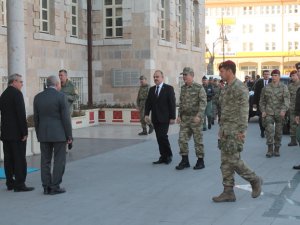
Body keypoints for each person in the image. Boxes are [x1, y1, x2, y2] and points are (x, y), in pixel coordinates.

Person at [212, 60, 262, 202]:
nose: (220, 74)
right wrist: (221, 128)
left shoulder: (240, 87)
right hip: (225, 130)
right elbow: (224, 110)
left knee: (234, 160)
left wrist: (242, 130)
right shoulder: (226, 87)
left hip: (235, 130)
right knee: (225, 162)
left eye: (221, 71)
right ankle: (228, 191)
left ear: (229, 71)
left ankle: (254, 179)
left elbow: (244, 111)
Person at [34, 75, 73, 195]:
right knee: (59, 160)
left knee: (45, 161)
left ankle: (46, 187)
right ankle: (55, 186)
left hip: (44, 134)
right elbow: (66, 118)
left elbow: (36, 119)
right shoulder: (61, 96)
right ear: (56, 84)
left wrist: (38, 134)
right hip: (59, 134)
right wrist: (69, 136)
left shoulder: (38, 97)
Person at [0, 74, 34, 192]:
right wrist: (24, 132)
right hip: (16, 134)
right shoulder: (17, 94)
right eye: (20, 82)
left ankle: (10, 183)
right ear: (14, 81)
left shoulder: (3, 94)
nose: (22, 84)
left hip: (6, 133)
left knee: (8, 159)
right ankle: (19, 184)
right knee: (19, 158)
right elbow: (20, 114)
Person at [176, 67, 207, 170]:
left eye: (186, 75)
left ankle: (200, 161)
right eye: (183, 75)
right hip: (185, 119)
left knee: (198, 140)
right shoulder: (183, 88)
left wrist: (199, 116)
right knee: (182, 139)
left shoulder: (199, 88)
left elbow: (203, 103)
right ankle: (185, 160)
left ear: (192, 75)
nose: (184, 77)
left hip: (195, 119)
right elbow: (181, 103)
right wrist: (179, 116)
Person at [144, 70, 176, 165]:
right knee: (159, 138)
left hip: (165, 118)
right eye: (154, 77)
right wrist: (146, 114)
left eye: (157, 76)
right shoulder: (152, 89)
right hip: (155, 118)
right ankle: (162, 156)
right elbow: (148, 103)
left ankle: (169, 155)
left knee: (163, 136)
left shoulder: (169, 88)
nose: (155, 78)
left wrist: (172, 117)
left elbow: (172, 104)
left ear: (162, 77)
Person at [259, 69, 290, 157]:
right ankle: (269, 150)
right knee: (269, 131)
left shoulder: (284, 87)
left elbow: (286, 100)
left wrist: (284, 110)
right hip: (269, 112)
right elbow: (262, 101)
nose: (274, 77)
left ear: (279, 77)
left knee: (278, 132)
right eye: (273, 75)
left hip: (280, 113)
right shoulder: (266, 88)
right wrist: (263, 111)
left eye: (276, 75)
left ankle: (277, 149)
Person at [253, 70, 271, 138]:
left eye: (267, 74)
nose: (266, 75)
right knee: (261, 118)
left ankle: (267, 130)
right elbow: (256, 93)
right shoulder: (259, 82)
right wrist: (254, 103)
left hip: (270, 104)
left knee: (269, 118)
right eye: (265, 74)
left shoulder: (271, 82)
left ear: (269, 75)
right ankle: (262, 131)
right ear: (263, 75)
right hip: (260, 104)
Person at [287, 70, 300, 146]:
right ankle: (293, 140)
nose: (292, 77)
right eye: (291, 76)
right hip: (292, 108)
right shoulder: (290, 86)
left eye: (294, 75)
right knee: (292, 124)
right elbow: (287, 97)